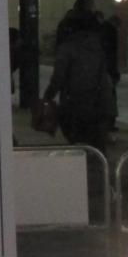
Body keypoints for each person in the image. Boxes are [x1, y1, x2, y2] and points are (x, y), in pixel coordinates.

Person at [43, 8, 115, 153]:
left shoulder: (68, 48)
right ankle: (98, 164)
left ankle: (84, 164)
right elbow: (104, 76)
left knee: (77, 141)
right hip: (98, 103)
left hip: (74, 102)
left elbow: (58, 77)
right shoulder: (98, 47)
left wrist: (48, 96)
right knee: (96, 143)